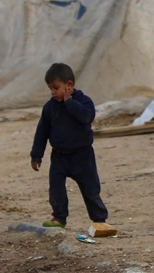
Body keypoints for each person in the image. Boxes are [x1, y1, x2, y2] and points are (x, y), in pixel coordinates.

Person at [30, 63, 111, 231]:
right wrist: (36, 155)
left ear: (69, 86)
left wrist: (69, 103)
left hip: (82, 156)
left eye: (56, 88)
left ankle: (99, 220)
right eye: (50, 89)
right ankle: (59, 217)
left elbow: (87, 117)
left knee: (91, 189)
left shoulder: (83, 101)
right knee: (56, 189)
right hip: (59, 156)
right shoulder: (50, 107)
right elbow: (42, 132)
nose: (52, 92)